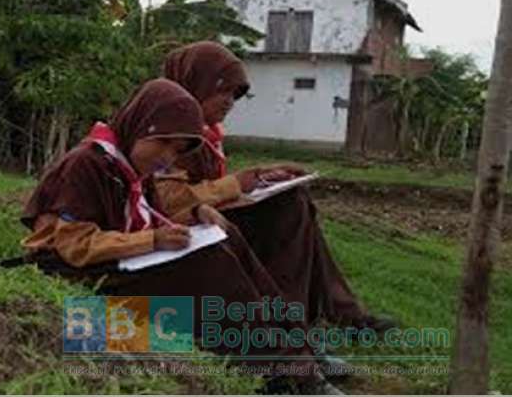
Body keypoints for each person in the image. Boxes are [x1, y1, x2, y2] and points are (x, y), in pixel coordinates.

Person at [19, 78, 342, 395]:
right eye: (162, 142)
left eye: (176, 151)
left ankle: (298, 345)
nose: (166, 158)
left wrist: (199, 212)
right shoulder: (86, 164)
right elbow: (74, 245)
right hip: (71, 269)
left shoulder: (131, 168)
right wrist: (153, 241)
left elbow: (152, 213)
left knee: (228, 240)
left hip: (113, 261)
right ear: (141, 125)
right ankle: (283, 372)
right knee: (210, 266)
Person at [158, 41, 393, 332]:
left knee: (296, 202)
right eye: (221, 90)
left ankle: (337, 312)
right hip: (180, 232)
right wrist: (237, 183)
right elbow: (167, 200)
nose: (229, 101)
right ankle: (293, 324)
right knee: (288, 210)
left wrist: (261, 176)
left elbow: (206, 185)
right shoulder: (165, 131)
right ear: (194, 85)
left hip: (206, 219)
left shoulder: (206, 134)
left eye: (235, 94)